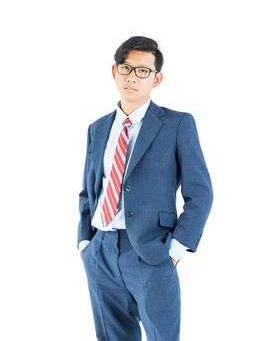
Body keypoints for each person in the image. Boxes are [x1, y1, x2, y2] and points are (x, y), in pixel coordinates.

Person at [77, 36, 213, 341]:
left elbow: (200, 193)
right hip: (100, 252)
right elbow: (89, 190)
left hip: (152, 253)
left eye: (142, 71)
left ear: (157, 78)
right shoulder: (98, 128)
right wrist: (85, 243)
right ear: (114, 71)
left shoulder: (177, 124)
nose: (132, 77)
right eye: (126, 68)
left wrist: (175, 250)